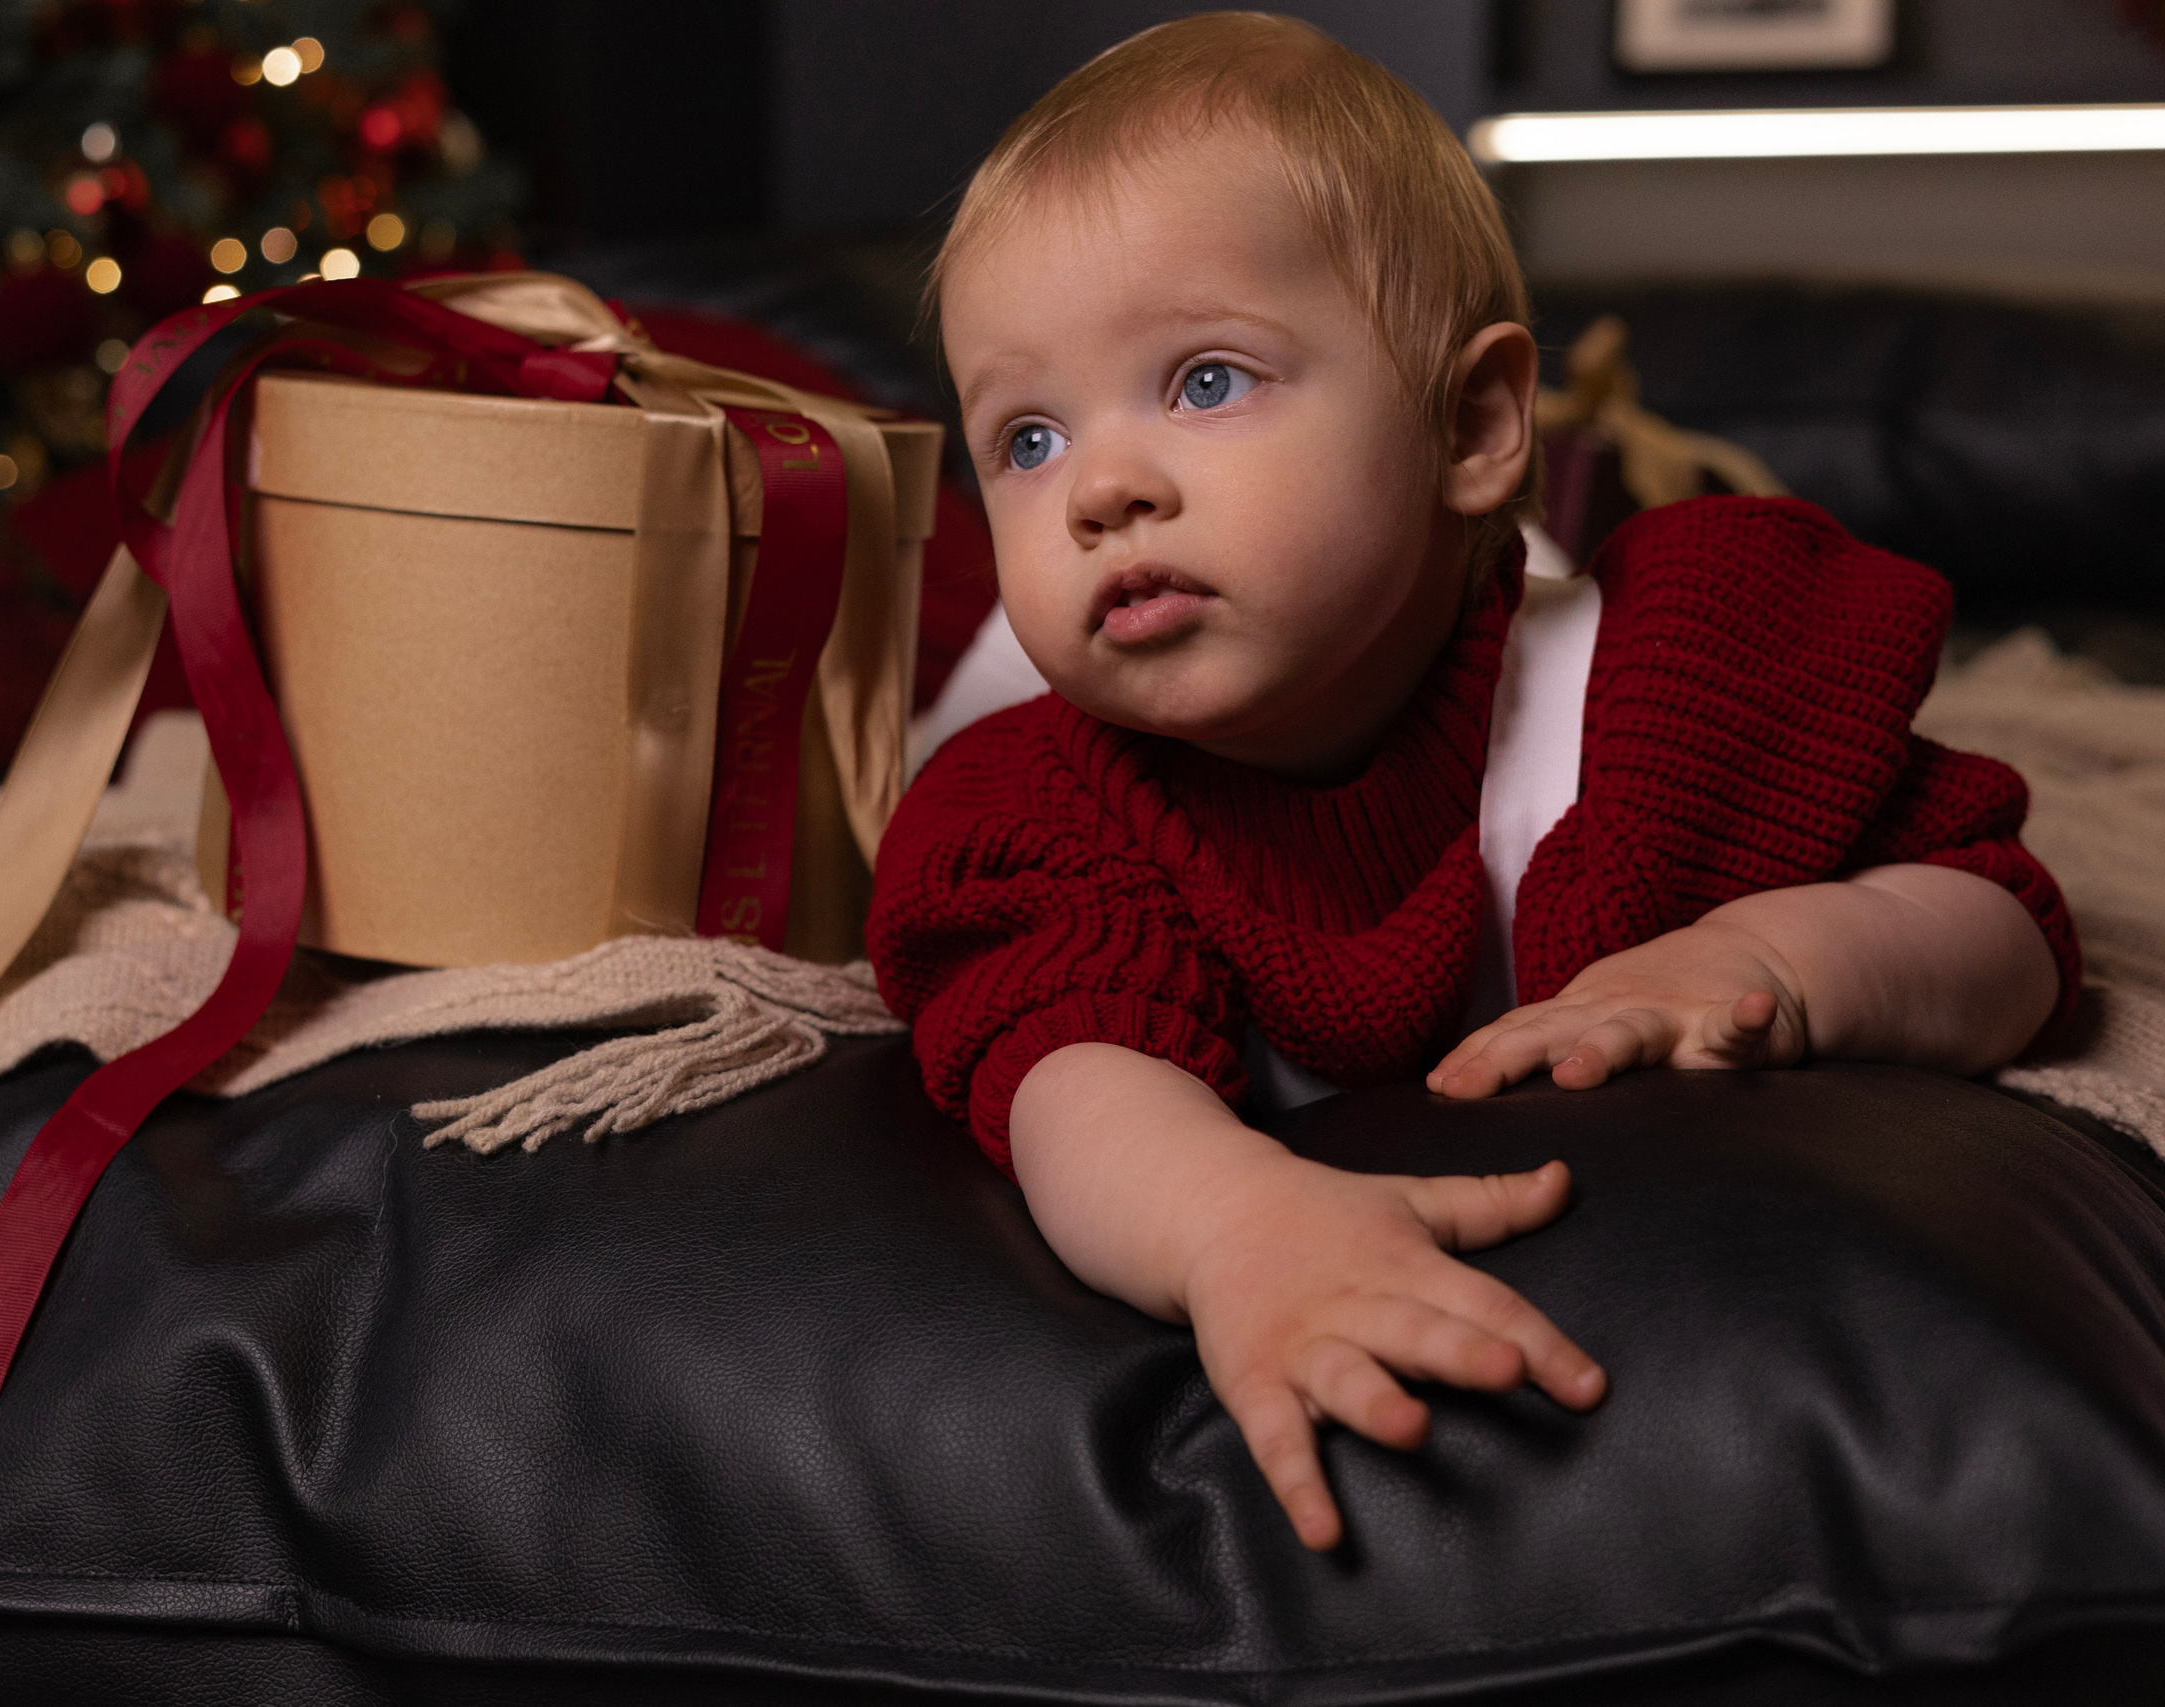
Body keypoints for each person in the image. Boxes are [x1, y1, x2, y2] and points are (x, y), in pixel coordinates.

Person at [864, 12, 2078, 1554]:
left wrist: (1770, 957)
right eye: (1027, 436)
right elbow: (1069, 1082)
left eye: (1208, 380)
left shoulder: (1662, 691)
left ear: (1475, 423)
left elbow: (2008, 923)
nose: (1103, 487)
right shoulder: (1040, 813)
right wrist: (1233, 1225)